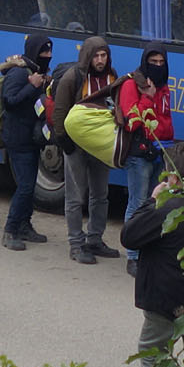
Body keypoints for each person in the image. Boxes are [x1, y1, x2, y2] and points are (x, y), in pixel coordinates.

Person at [121, 144, 184, 367]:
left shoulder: (166, 208)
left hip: (166, 301)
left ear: (173, 178)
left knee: (152, 355)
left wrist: (152, 201)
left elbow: (129, 236)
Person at [53, 35, 122, 264]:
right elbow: (60, 112)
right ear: (88, 57)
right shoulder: (73, 77)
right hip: (75, 145)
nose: (100, 60)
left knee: (101, 195)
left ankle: (95, 239)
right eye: (96, 56)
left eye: (104, 56)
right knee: (75, 196)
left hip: (100, 145)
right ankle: (76, 243)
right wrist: (65, 142)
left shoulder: (113, 76)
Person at [117, 46, 175, 265]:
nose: (158, 66)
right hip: (139, 155)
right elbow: (131, 122)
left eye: (162, 62)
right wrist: (148, 98)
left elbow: (166, 120)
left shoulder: (164, 86)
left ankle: (148, 254)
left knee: (157, 204)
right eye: (154, 61)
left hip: (162, 152)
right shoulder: (132, 85)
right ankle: (132, 257)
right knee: (138, 203)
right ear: (145, 61)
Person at [0, 34, 52, 249]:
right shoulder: (19, 73)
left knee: (28, 185)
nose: (48, 55)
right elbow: (9, 102)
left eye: (49, 51)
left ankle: (25, 226)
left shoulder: (38, 72)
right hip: (17, 139)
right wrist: (32, 86)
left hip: (32, 138)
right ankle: (10, 230)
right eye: (43, 52)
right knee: (26, 186)